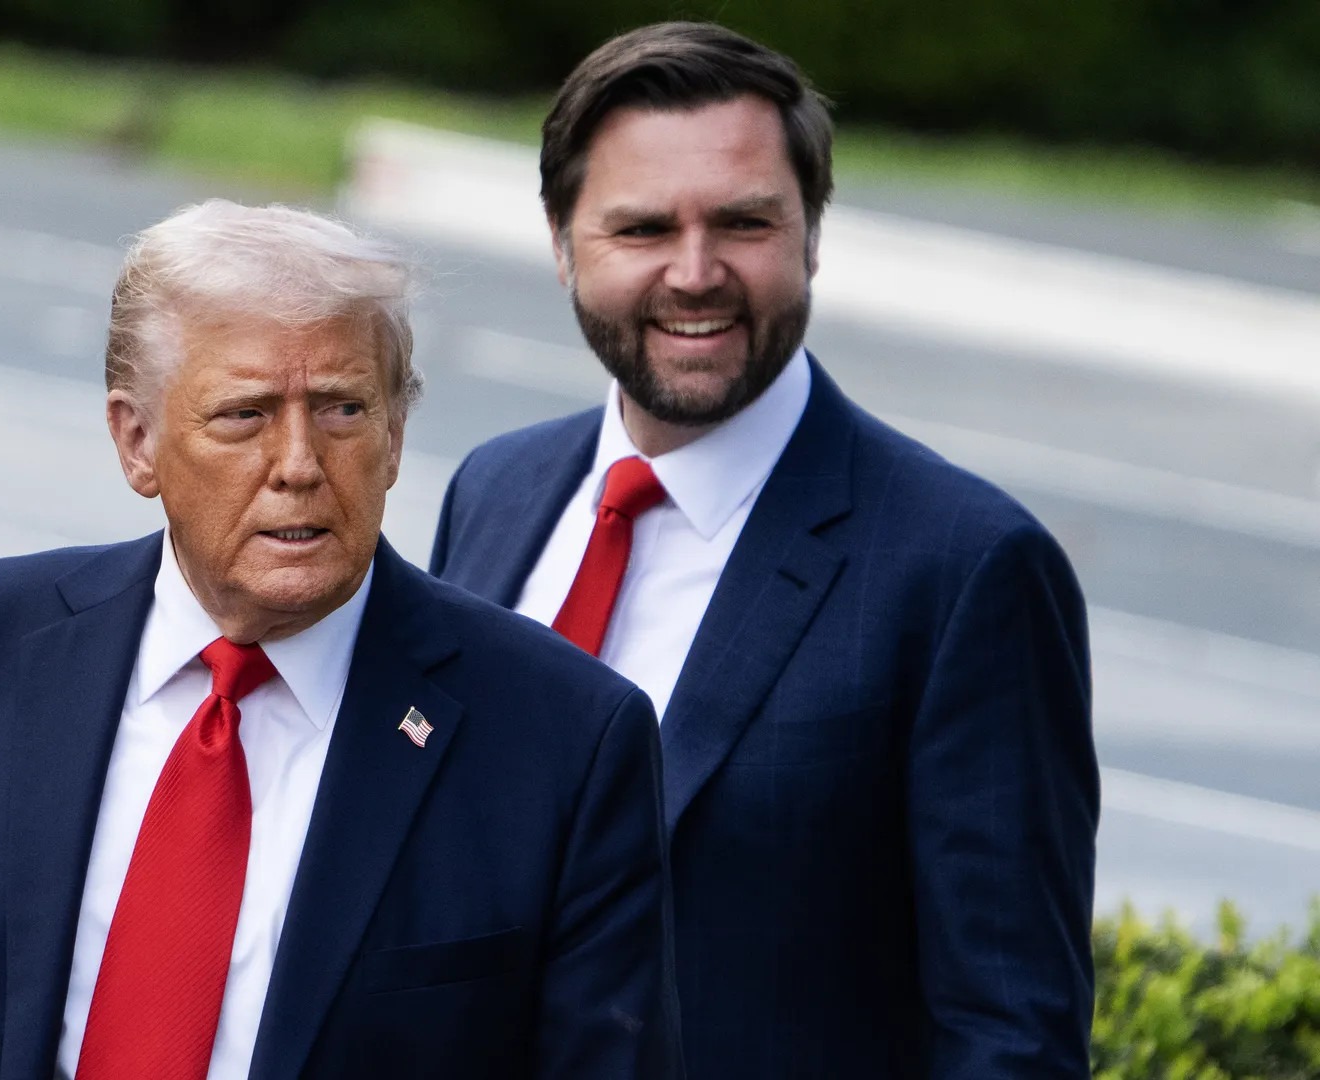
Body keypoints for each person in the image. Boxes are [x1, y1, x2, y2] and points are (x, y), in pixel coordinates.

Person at [0, 200, 679, 1079]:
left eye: (344, 409)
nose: (300, 465)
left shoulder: (563, 741)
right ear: (136, 441)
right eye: (245, 415)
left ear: (396, 435)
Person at [429, 22, 1098, 1078]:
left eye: (744, 223)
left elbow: (1010, 1032)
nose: (695, 274)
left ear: (811, 235)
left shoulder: (966, 568)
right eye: (643, 228)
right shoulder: (495, 490)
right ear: (562, 244)